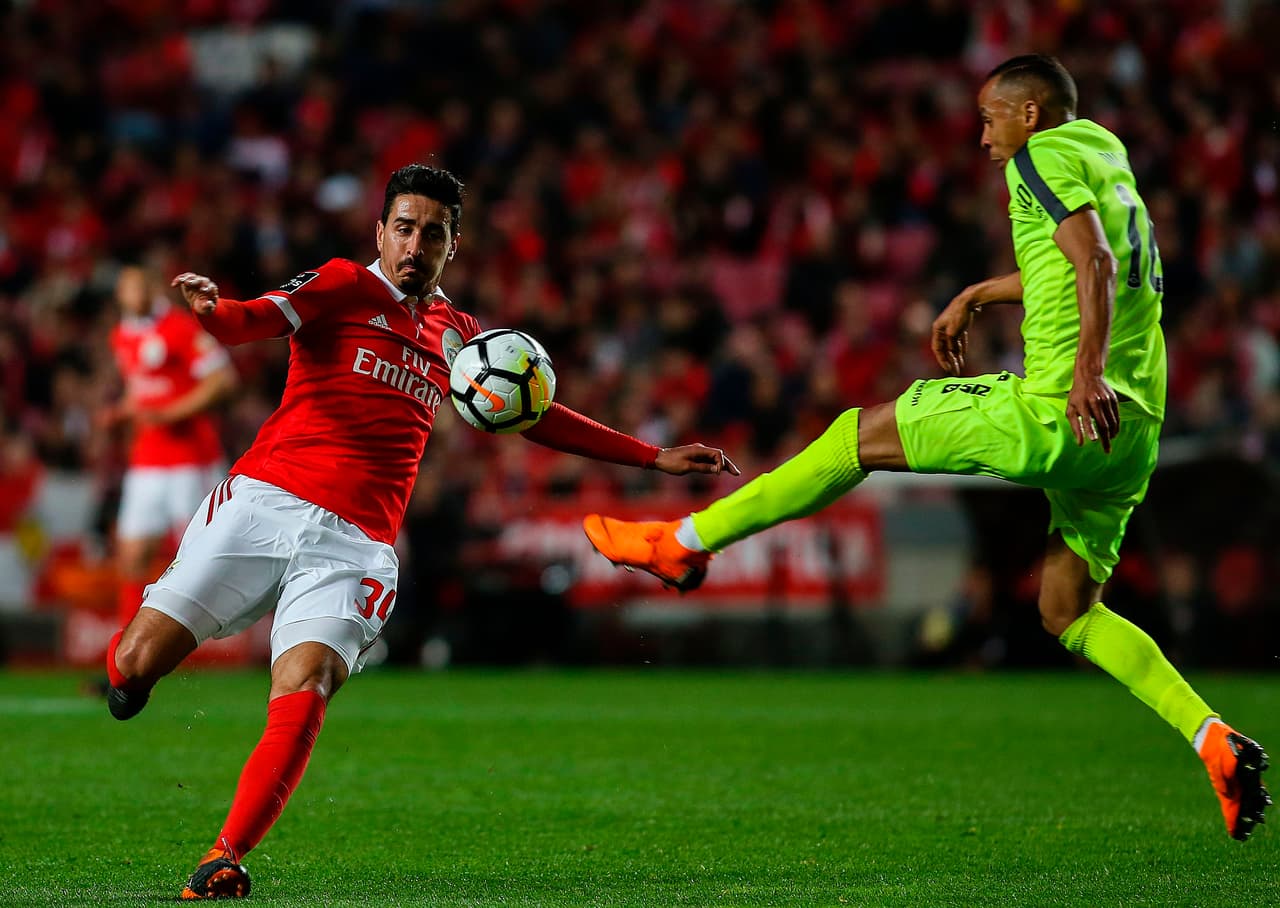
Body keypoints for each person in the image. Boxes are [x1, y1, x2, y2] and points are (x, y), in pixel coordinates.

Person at [583, 55, 1270, 842]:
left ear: (1031, 114)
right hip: (1134, 432)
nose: (982, 137)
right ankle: (1211, 737)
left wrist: (1082, 376)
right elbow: (1075, 267)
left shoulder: (1039, 156)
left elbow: (1095, 263)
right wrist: (978, 291)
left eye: (990, 118)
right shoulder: (1105, 151)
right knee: (1068, 610)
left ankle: (680, 542)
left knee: (855, 435)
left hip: (1059, 412)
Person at [105, 163, 739, 900]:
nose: (415, 244)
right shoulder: (342, 284)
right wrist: (214, 310)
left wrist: (651, 455)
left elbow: (535, 415)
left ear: (452, 245)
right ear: (380, 232)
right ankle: (126, 682)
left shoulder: (462, 337)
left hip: (357, 544)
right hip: (264, 500)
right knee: (136, 660)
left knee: (307, 681)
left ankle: (225, 856)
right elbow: (251, 320)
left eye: (432, 233)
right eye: (403, 228)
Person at [105, 262, 238, 631]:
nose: (136, 295)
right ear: (120, 295)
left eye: (141, 287)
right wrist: (120, 413)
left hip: (190, 460)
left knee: (201, 557)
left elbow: (222, 381)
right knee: (131, 556)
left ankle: (212, 641)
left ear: (152, 288)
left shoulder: (178, 327)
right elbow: (142, 389)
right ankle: (125, 651)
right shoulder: (120, 335)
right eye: (128, 289)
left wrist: (170, 413)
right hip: (147, 462)